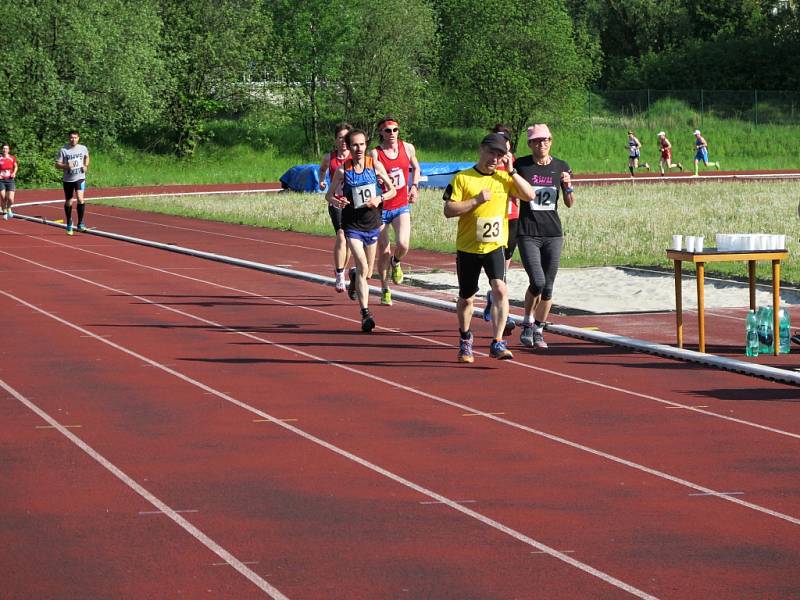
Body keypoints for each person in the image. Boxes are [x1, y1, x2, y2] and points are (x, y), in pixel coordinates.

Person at [443, 133, 536, 363]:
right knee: (467, 297)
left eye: (500, 154)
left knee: (500, 290)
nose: (496, 158)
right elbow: (448, 210)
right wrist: (475, 201)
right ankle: (465, 339)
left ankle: (497, 342)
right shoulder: (463, 178)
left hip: (495, 246)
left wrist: (512, 171)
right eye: (492, 152)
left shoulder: (504, 179)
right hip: (468, 248)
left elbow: (530, 195)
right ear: (481, 149)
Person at [326, 129, 396, 332]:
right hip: (352, 225)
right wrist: (339, 200)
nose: (358, 148)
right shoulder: (342, 170)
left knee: (367, 273)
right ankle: (366, 314)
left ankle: (356, 276)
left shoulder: (374, 165)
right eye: (354, 145)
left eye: (362, 144)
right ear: (348, 146)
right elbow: (328, 196)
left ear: (366, 145)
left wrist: (379, 198)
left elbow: (392, 190)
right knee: (363, 263)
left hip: (372, 223)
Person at [514, 124, 575, 350]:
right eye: (537, 141)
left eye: (546, 140)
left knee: (548, 287)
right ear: (530, 144)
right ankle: (527, 321)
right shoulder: (521, 165)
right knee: (537, 281)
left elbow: (569, 204)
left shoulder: (561, 166)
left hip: (553, 233)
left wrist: (567, 186)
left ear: (551, 141)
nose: (542, 144)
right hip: (528, 232)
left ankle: (539, 328)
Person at [371, 116, 421, 306]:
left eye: (395, 130)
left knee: (403, 244)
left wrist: (414, 186)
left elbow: (416, 168)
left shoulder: (407, 148)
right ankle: (385, 288)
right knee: (383, 251)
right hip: (382, 207)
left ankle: (397, 261)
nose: (392, 133)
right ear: (381, 133)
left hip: (401, 204)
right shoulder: (375, 154)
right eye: (387, 130)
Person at [482, 124, 518, 337]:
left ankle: (494, 299)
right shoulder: (491, 162)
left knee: (504, 271)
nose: (500, 145)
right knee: (499, 275)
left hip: (511, 219)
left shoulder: (513, 162)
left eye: (504, 140)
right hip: (493, 221)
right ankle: (503, 311)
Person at [318, 122, 353, 292]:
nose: (344, 141)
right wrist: (322, 180)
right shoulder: (329, 157)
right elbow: (322, 169)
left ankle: (342, 269)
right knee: (341, 234)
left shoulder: (356, 156)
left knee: (350, 240)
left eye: (346, 138)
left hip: (353, 203)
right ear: (335, 140)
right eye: (340, 138)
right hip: (336, 201)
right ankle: (340, 274)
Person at [55, 130, 90, 235]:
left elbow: (87, 157)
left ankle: (80, 224)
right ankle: (69, 222)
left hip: (80, 177)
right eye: (71, 137)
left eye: (75, 137)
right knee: (69, 202)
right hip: (68, 179)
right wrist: (66, 166)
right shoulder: (64, 150)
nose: (73, 139)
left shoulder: (83, 148)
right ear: (68, 138)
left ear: (78, 138)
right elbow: (57, 165)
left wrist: (85, 166)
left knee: (80, 199)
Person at [0, 143, 19, 219]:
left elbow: (16, 166)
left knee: (11, 199)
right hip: (1, 180)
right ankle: (4, 210)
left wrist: (14, 173)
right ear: (2, 149)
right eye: (4, 148)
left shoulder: (12, 158)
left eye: (6, 148)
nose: (5, 150)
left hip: (10, 180)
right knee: (3, 197)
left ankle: (9, 207)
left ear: (9, 150)